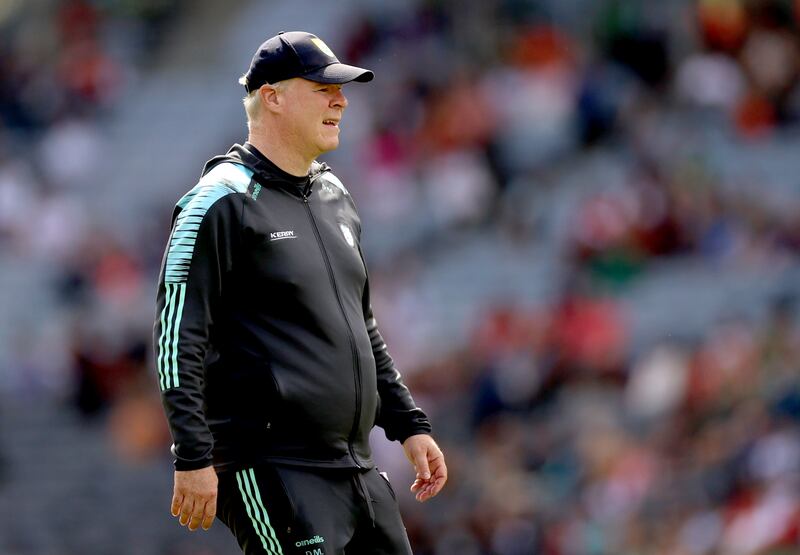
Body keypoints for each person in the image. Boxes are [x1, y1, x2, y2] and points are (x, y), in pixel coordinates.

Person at [153, 31, 447, 554]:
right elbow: (178, 336)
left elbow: (361, 327)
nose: (341, 99)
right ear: (272, 97)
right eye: (321, 88)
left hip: (355, 465)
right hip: (273, 467)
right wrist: (193, 455)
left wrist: (408, 424)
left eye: (341, 89)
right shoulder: (219, 201)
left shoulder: (335, 194)